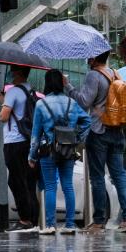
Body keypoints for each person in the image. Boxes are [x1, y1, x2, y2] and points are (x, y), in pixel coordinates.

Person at [64, 50, 126, 233]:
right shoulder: (114, 73)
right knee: (119, 175)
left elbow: (84, 102)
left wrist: (68, 86)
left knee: (97, 177)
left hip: (99, 131)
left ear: (94, 58)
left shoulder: (94, 75)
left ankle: (99, 221)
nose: (87, 59)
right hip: (118, 131)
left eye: (89, 56)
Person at [28, 69, 90, 235]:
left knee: (50, 187)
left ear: (47, 83)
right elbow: (87, 121)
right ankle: (69, 224)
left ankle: (50, 225)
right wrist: (76, 139)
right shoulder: (71, 103)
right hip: (68, 150)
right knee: (68, 186)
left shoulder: (41, 104)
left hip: (48, 150)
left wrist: (32, 156)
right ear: (61, 83)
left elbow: (35, 133)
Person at [0, 65, 39, 231]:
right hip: (28, 141)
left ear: (17, 72)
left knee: (16, 180)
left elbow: (4, 117)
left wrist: (3, 102)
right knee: (28, 181)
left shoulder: (14, 91)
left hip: (14, 141)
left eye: (13, 71)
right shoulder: (31, 90)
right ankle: (33, 218)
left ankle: (24, 219)